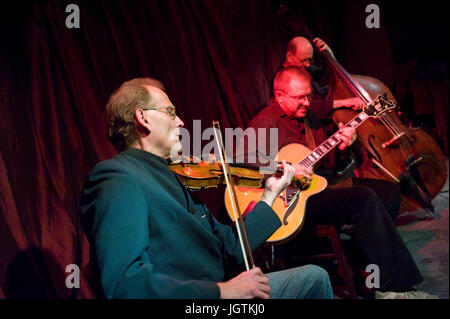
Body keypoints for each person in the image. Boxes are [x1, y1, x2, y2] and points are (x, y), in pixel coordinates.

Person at [80, 77, 334, 299]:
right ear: (143, 117)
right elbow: (125, 284)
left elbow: (232, 248)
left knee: (313, 277)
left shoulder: (176, 176)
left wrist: (270, 195)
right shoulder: (118, 177)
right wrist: (223, 292)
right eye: (170, 112)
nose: (180, 121)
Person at [240, 66, 437, 299]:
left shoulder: (309, 120)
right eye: (299, 97)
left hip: (315, 189)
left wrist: (343, 148)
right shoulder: (264, 122)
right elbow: (243, 166)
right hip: (287, 203)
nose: (306, 102)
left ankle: (366, 265)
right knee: (363, 199)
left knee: (389, 192)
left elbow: (331, 166)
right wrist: (284, 171)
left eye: (308, 96)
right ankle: (396, 287)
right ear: (280, 95)